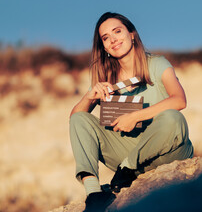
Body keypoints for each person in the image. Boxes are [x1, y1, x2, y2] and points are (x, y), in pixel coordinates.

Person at [69, 12, 194, 211]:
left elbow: (180, 100)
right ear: (103, 47)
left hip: (165, 151)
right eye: (106, 38)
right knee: (79, 119)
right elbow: (76, 121)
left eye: (117, 31)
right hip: (127, 154)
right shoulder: (106, 78)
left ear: (132, 34)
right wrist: (89, 96)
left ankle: (128, 167)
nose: (113, 40)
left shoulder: (157, 64)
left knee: (173, 117)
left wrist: (135, 116)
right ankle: (93, 193)